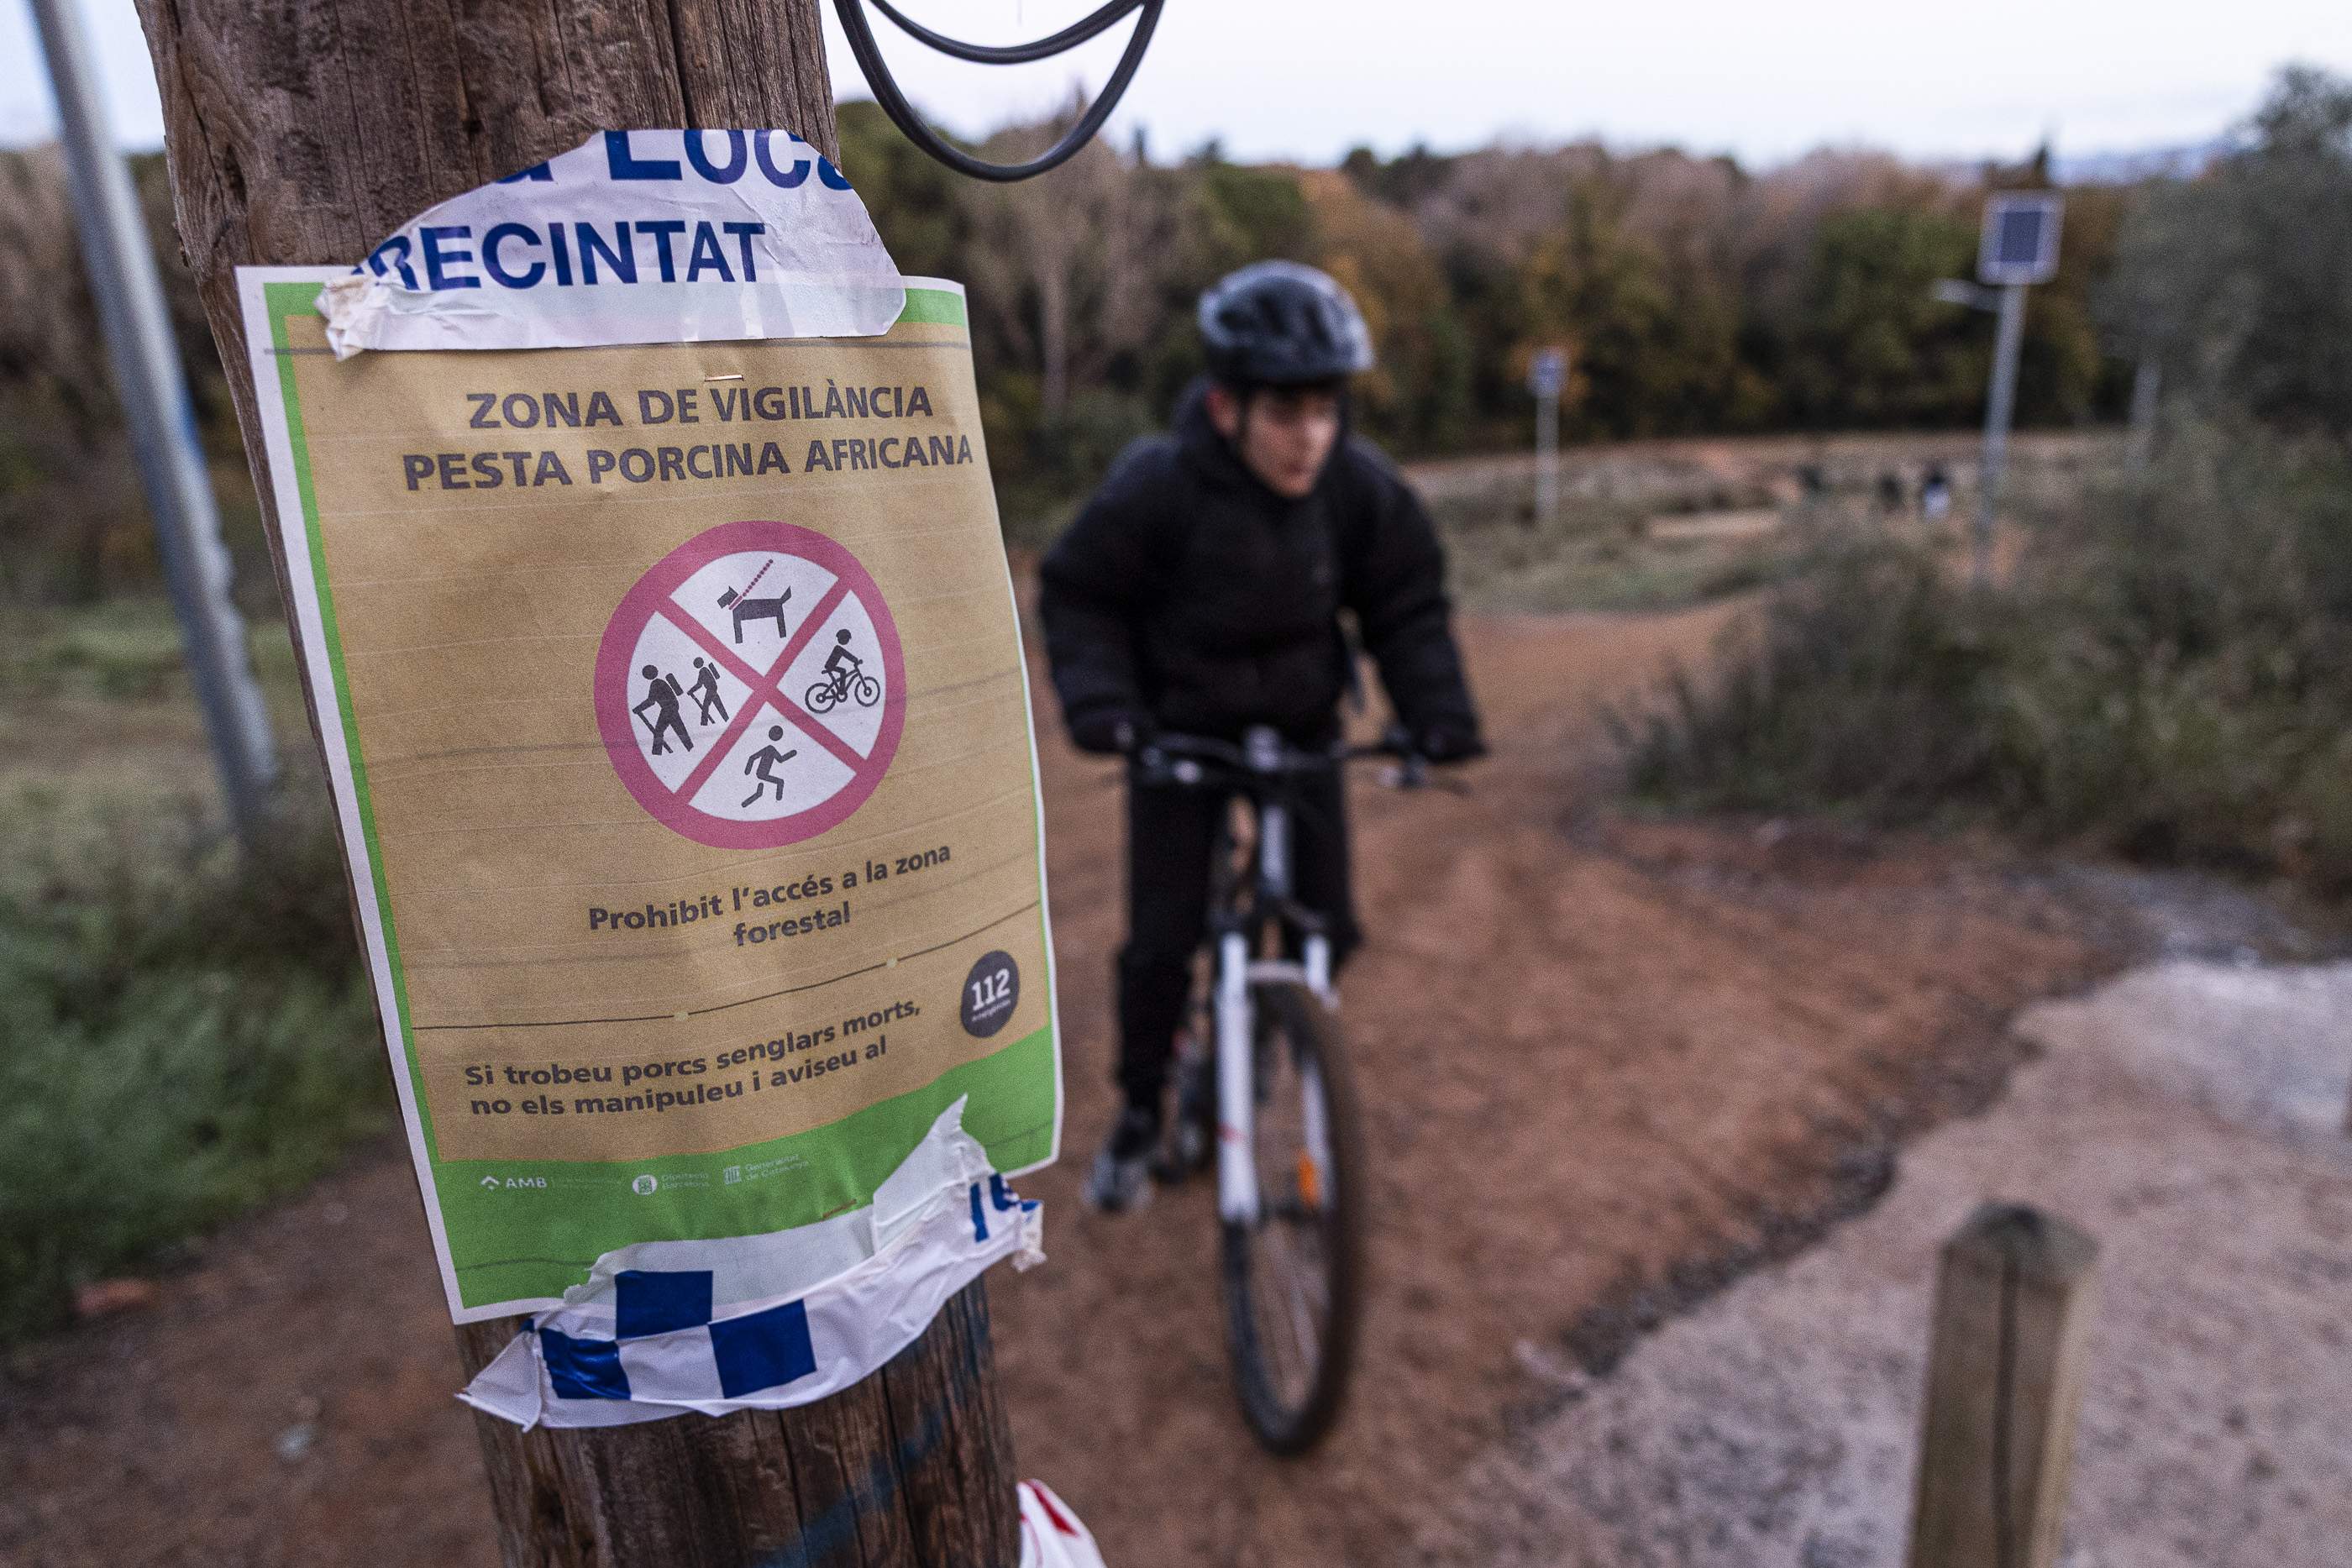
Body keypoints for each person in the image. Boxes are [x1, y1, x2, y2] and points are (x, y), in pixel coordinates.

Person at [1039, 260, 1483, 1212]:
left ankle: (1254, 1042)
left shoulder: (1358, 491)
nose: (1310, 436)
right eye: (1286, 413)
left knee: (1331, 927)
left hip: (1302, 732)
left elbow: (1405, 606)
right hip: (1178, 737)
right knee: (1161, 943)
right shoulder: (1159, 485)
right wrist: (1107, 709)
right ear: (1228, 404)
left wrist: (1435, 715)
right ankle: (1140, 1107)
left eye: (1325, 410)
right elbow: (1080, 591)